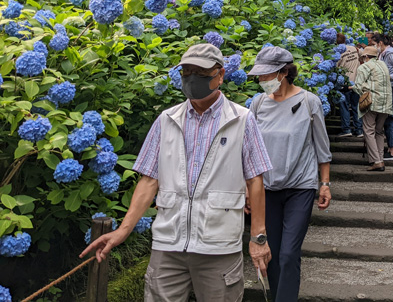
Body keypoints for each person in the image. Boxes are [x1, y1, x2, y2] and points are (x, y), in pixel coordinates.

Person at [81, 43, 272, 302]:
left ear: (221, 75)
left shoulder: (242, 119)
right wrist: (123, 231)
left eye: (201, 72)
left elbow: (255, 180)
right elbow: (149, 180)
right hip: (168, 245)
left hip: (219, 246)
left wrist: (258, 238)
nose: (193, 78)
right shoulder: (166, 119)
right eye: (187, 72)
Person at [248, 47, 332, 302]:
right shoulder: (258, 103)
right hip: (266, 189)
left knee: (288, 254)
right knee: (270, 254)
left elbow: (322, 148)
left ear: (284, 72)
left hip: (300, 187)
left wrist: (325, 184)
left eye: (267, 75)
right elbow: (248, 149)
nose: (262, 81)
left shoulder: (309, 101)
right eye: (259, 76)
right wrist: (246, 189)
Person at [353, 46, 393, 171]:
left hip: (371, 103)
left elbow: (358, 86)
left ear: (365, 57)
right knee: (379, 131)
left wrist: (358, 87)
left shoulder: (364, 66)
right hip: (386, 103)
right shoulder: (383, 64)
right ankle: (379, 159)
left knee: (369, 131)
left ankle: (377, 161)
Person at [375, 33, 393, 161]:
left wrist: (389, 76)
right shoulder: (384, 53)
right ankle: (390, 149)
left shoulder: (390, 54)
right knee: (387, 118)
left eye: (375, 44)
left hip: (391, 87)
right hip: (387, 88)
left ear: (380, 43)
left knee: (390, 117)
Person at [335, 33, 363, 138]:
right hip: (356, 82)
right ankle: (359, 130)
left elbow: (335, 68)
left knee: (344, 107)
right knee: (356, 107)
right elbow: (363, 56)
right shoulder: (354, 49)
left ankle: (346, 129)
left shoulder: (337, 53)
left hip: (344, 84)